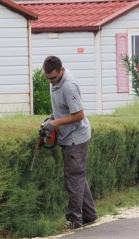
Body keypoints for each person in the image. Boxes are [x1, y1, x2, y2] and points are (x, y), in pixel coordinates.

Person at [41, 56, 98, 229]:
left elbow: (79, 114)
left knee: (73, 178)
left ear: (61, 70)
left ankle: (75, 220)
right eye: (47, 78)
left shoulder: (68, 86)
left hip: (76, 138)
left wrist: (55, 123)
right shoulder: (56, 82)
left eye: (53, 78)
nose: (50, 82)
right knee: (78, 177)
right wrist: (51, 119)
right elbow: (63, 109)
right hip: (69, 136)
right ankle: (89, 215)